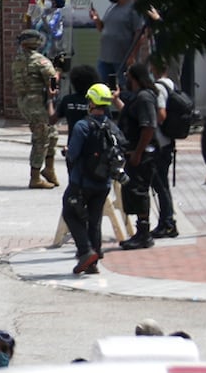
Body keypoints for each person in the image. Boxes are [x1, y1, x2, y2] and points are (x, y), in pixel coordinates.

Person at [63, 83, 119, 275]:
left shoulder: (82, 126)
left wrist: (67, 151)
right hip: (103, 184)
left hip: (81, 182)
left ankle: (86, 251)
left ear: (92, 102)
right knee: (94, 220)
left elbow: (73, 154)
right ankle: (93, 262)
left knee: (70, 212)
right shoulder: (112, 127)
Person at [117, 63, 162, 249]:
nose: (126, 80)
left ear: (134, 78)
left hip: (143, 155)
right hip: (133, 152)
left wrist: (138, 152)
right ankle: (140, 232)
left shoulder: (144, 98)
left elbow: (148, 127)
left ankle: (144, 234)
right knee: (132, 191)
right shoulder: (138, 98)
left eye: (128, 76)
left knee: (139, 191)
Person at [13, 29, 60, 189]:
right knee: (41, 138)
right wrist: (57, 73)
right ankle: (35, 177)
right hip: (38, 104)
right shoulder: (42, 61)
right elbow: (53, 86)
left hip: (25, 103)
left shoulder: (18, 60)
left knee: (52, 134)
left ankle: (49, 169)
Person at [90, 0, 159, 87]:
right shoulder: (112, 8)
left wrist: (132, 55)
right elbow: (102, 28)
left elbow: (140, 34)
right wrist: (96, 19)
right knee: (102, 86)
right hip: (105, 57)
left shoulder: (133, 10)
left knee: (123, 86)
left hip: (121, 59)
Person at [150, 59, 181, 238]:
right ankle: (167, 221)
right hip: (168, 141)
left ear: (153, 68)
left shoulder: (159, 87)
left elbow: (162, 115)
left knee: (161, 185)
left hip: (161, 142)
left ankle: (168, 223)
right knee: (163, 185)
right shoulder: (171, 85)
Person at [53, 64, 101, 140]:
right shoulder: (97, 101)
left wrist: (50, 98)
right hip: (93, 147)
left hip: (73, 145)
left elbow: (52, 120)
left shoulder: (67, 100)